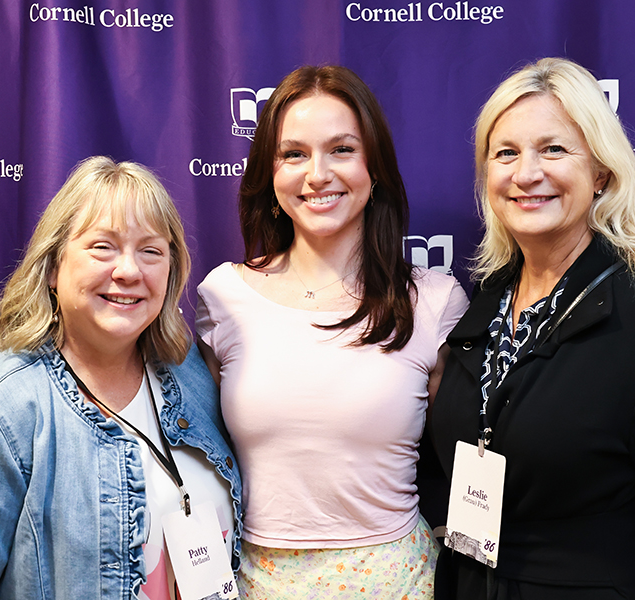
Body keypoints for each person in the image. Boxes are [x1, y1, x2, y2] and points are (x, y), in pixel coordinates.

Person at [429, 57, 635, 599]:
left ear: (601, 172)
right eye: (506, 153)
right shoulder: (486, 303)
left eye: (553, 149)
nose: (526, 173)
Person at [0, 156, 242, 600]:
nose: (129, 271)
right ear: (54, 267)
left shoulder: (194, 379)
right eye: (103, 246)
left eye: (151, 251)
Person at [195, 65, 469, 598]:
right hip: (256, 582)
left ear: (375, 169)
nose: (317, 174)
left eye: (341, 149)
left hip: (398, 583)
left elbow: (467, 456)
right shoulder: (225, 296)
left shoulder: (434, 301)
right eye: (294, 154)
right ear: (270, 177)